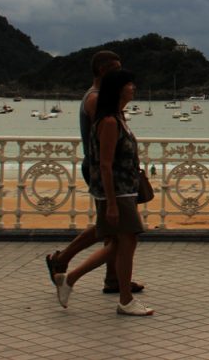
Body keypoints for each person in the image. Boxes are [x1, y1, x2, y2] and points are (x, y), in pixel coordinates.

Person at [53, 69, 153, 316]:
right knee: (126, 242)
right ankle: (125, 300)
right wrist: (110, 203)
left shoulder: (118, 117)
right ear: (119, 89)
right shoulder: (108, 122)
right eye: (130, 84)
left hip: (124, 191)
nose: (134, 88)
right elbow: (105, 164)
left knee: (120, 244)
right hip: (117, 193)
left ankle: (71, 279)